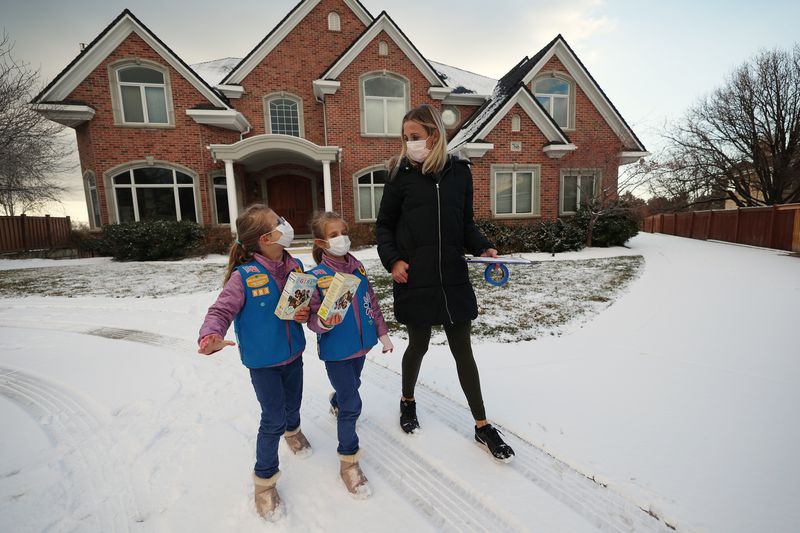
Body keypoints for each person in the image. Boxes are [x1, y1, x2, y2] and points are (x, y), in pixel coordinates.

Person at [375, 104, 515, 463]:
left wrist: (483, 246)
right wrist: (393, 260)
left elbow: (465, 224)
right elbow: (384, 227)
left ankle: (482, 425)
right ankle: (407, 401)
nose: (409, 144)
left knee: (462, 351)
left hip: (452, 276)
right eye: (406, 138)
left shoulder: (460, 174)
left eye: (415, 137)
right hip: (416, 275)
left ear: (434, 136)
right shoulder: (398, 174)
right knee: (418, 345)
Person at [197, 204, 311, 521]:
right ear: (265, 238)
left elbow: (305, 306)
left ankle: (294, 430)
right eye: (279, 222)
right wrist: (210, 336)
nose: (285, 224)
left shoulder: (296, 266)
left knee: (294, 404)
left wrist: (308, 312)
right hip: (263, 363)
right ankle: (264, 481)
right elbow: (219, 312)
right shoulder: (242, 277)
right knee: (272, 418)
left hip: (294, 354)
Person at [305, 210, 394, 497]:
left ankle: (337, 399)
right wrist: (322, 322)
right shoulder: (316, 277)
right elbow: (310, 319)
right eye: (333, 235)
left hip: (361, 346)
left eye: (343, 231)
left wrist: (382, 333)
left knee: (350, 388)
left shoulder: (358, 269)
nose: (342, 238)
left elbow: (372, 303)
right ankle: (348, 461)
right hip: (336, 351)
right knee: (352, 404)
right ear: (321, 243)